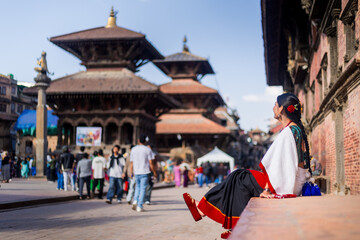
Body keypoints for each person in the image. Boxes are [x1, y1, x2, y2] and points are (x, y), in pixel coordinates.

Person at [183, 93, 311, 239]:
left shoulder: (288, 132)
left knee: (240, 177)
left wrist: (268, 189)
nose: (273, 107)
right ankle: (209, 213)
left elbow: (280, 165)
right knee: (238, 177)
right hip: (289, 184)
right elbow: (297, 165)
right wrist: (299, 185)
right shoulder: (295, 130)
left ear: (282, 109)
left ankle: (213, 215)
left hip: (280, 186)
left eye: (276, 104)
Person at [130, 135, 157, 212]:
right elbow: (151, 162)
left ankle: (135, 200)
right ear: (145, 141)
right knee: (142, 189)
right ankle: (140, 206)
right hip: (144, 171)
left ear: (138, 140)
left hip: (136, 172)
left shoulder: (133, 149)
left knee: (137, 187)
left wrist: (131, 172)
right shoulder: (147, 150)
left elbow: (131, 162)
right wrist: (154, 172)